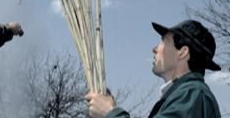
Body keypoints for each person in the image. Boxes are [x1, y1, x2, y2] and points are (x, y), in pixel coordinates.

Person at [86, 19, 221, 118]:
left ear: (183, 52)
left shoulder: (193, 95)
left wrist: (110, 112)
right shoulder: (185, 96)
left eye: (163, 41)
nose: (155, 49)